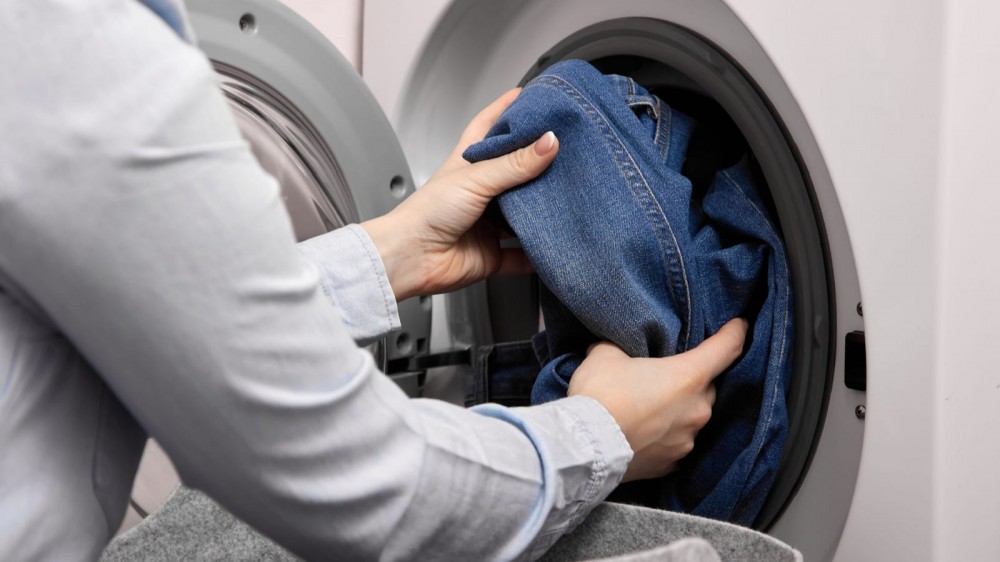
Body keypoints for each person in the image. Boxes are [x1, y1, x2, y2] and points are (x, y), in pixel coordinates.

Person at [0, 1, 746, 561]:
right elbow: (359, 483)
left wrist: (393, 250)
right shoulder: (75, 50)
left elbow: (150, 303)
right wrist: (603, 433)